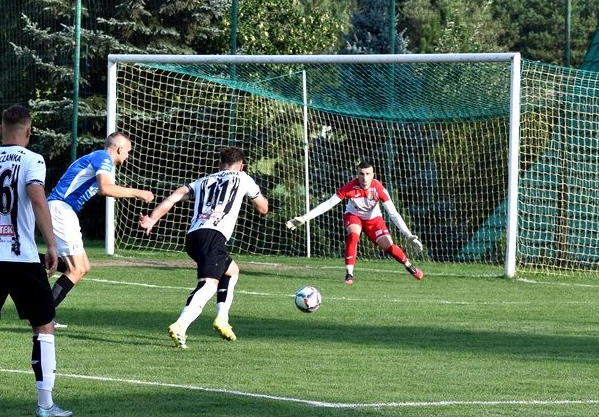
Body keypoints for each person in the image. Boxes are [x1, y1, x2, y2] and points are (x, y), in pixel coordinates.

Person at [0, 104, 72, 417]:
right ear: (29, 132)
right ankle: (45, 404)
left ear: (0, 129)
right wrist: (51, 244)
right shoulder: (32, 159)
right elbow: (37, 198)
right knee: (43, 326)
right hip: (21, 257)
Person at [139, 147, 268, 349]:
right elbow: (263, 208)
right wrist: (257, 192)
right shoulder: (243, 178)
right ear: (241, 166)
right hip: (213, 235)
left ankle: (222, 319)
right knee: (208, 283)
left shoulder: (203, 181)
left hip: (193, 236)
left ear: (219, 165)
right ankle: (180, 325)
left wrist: (152, 219)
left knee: (231, 271)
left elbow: (174, 197)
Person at [44, 132, 154, 318]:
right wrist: (139, 192)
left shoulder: (99, 159)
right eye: (128, 151)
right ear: (119, 149)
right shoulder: (103, 157)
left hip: (62, 209)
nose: (128, 155)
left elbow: (109, 188)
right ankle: (43, 316)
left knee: (83, 267)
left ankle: (34, 264)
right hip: (61, 208)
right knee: (77, 269)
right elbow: (106, 188)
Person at [286, 159, 425, 284]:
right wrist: (304, 218)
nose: (365, 177)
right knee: (353, 235)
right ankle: (349, 274)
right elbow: (328, 204)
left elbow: (394, 214)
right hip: (353, 216)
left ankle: (409, 266)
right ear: (357, 174)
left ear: (373, 174)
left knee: (388, 245)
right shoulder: (350, 187)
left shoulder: (379, 189)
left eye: (368, 174)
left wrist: (408, 234)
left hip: (374, 220)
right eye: (361, 174)